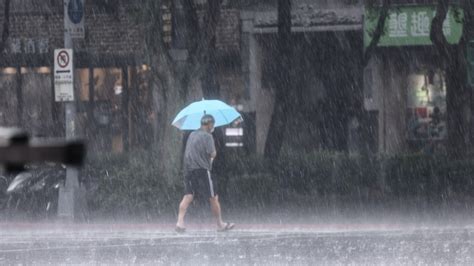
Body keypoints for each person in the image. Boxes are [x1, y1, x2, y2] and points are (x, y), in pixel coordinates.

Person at [175, 114, 235, 233]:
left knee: (188, 196)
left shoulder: (192, 134)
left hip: (189, 169)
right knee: (213, 197)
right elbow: (212, 154)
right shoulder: (208, 136)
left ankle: (179, 222)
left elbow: (189, 152)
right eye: (212, 124)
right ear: (209, 124)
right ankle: (220, 224)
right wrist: (213, 153)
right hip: (202, 170)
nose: (213, 126)